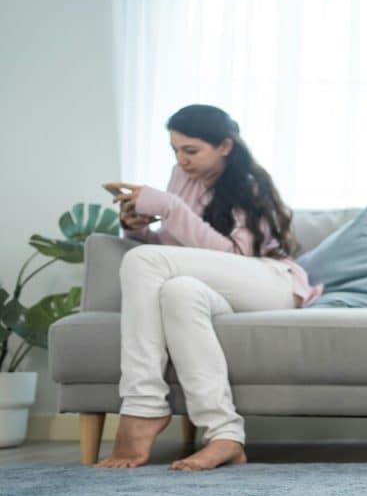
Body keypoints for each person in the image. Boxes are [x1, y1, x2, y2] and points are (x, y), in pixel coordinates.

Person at [96, 104, 322, 471]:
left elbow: (235, 255)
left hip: (269, 280)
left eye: (191, 150)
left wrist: (170, 207)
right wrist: (139, 229)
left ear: (225, 146)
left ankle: (143, 406)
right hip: (214, 286)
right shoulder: (181, 177)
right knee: (178, 292)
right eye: (175, 150)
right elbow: (174, 249)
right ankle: (225, 435)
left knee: (143, 262)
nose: (181, 160)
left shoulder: (250, 186)